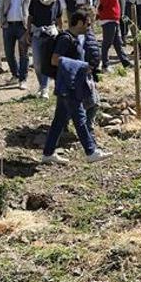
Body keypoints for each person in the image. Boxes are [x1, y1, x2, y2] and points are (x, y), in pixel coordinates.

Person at [41, 10, 113, 165]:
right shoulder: (66, 39)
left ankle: (48, 154)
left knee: (59, 120)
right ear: (79, 22)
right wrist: (81, 65)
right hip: (69, 86)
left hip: (70, 85)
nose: (88, 27)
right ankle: (91, 151)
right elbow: (55, 60)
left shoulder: (74, 39)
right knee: (80, 119)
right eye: (87, 24)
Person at [27, 0, 63, 99]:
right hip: (37, 33)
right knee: (37, 62)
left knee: (46, 62)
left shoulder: (56, 1)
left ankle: (44, 88)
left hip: (51, 34)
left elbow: (58, 18)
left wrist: (61, 32)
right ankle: (42, 84)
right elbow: (30, 17)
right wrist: (28, 32)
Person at [0, 0, 35, 90]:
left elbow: (33, 9)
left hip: (22, 25)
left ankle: (23, 79)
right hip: (8, 25)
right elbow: (2, 8)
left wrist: (31, 26)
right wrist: (2, 22)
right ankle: (15, 74)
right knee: (9, 53)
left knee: (23, 53)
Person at [97, 0, 131, 72]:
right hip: (108, 21)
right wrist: (101, 16)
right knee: (107, 43)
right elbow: (102, 6)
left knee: (118, 43)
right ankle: (105, 65)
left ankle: (125, 62)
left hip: (113, 20)